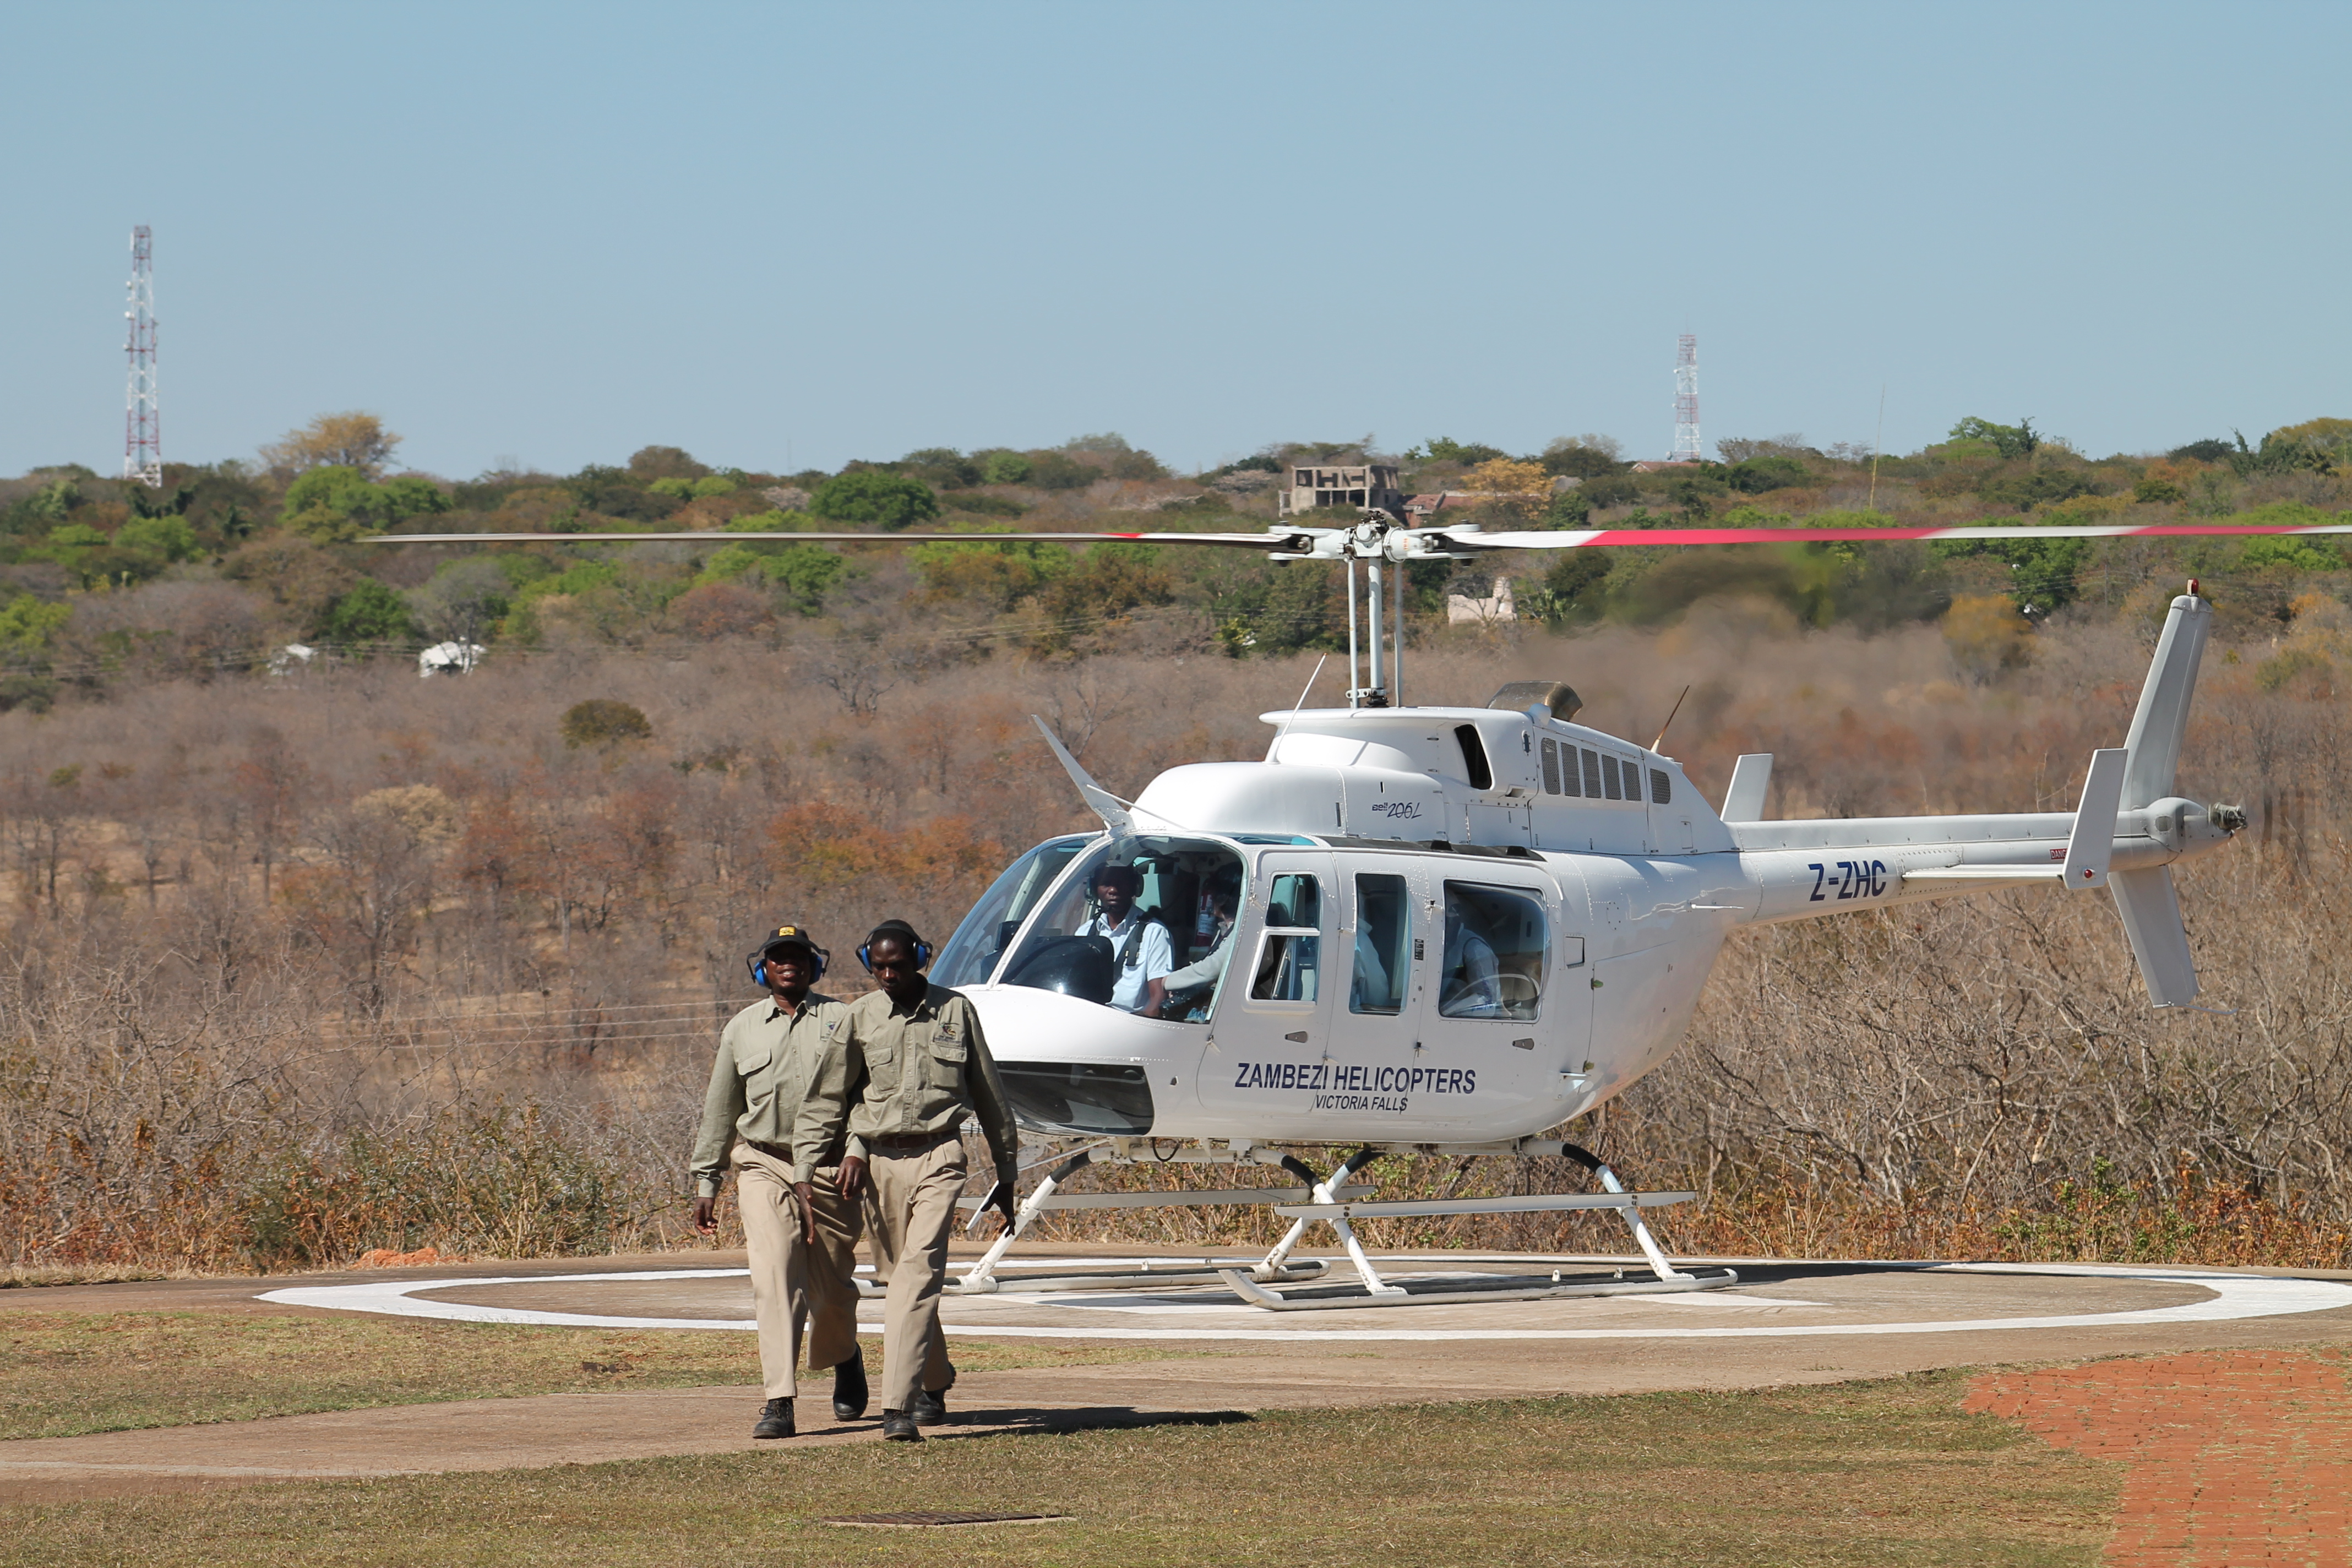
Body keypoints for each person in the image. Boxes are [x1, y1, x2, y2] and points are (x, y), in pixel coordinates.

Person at [793, 920, 1020, 1442]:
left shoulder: (956, 1010)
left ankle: (898, 1405)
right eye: (879, 968)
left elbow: (990, 1096)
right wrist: (807, 1169)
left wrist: (1006, 1175)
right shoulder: (860, 1017)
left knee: (918, 1277)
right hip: (878, 1165)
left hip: (940, 1156)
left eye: (898, 965)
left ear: (920, 956)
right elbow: (832, 1096)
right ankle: (936, 1378)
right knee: (901, 1283)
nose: (889, 975)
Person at [688, 923, 866, 1440]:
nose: (789, 965)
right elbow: (720, 1109)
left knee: (832, 1291)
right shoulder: (742, 1029)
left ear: (815, 965)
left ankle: (846, 1354)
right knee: (774, 1276)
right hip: (764, 1164)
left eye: (798, 957)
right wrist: (707, 1181)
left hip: (831, 1169)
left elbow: (865, 1097)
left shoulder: (844, 1019)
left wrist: (856, 1150)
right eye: (778, 958)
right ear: (762, 968)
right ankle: (779, 1400)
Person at [1074, 862, 1175, 1016]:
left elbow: (1158, 995)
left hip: (1129, 1023)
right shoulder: (1084, 933)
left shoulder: (1154, 932)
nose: (1113, 890)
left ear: (1135, 887)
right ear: (1094, 889)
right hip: (1088, 1018)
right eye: (1106, 884)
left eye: (1121, 883)